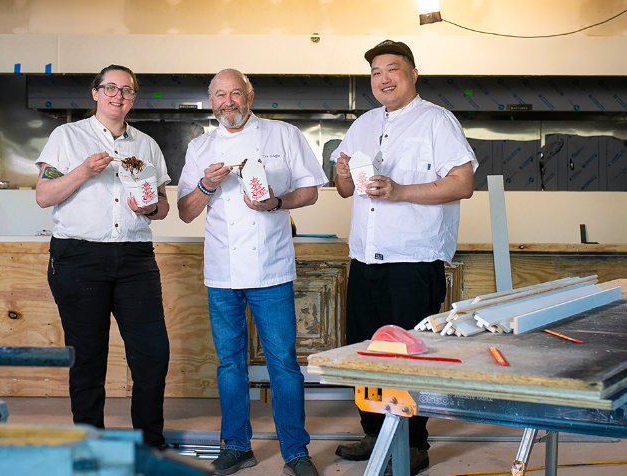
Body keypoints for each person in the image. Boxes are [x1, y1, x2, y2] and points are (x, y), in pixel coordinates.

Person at [331, 40, 478, 475]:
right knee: (366, 353)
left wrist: (399, 190)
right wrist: (340, 174)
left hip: (413, 263)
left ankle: (413, 444)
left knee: (411, 356)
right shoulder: (362, 124)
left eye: (392, 69)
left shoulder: (437, 121)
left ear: (413, 74)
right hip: (365, 261)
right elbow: (344, 190)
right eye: (376, 72)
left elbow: (462, 183)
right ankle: (374, 434)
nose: (383, 79)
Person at [178, 69, 327, 476]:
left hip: (272, 269)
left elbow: (310, 190)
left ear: (250, 95)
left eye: (236, 93)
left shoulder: (283, 135)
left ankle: (296, 451)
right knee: (229, 364)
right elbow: (186, 211)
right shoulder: (200, 147)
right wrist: (207, 186)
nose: (229, 101)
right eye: (220, 95)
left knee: (283, 363)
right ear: (212, 102)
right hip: (222, 272)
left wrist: (275, 203)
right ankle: (237, 445)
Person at [34, 64, 171, 449]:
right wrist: (82, 171)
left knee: (152, 356)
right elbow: (44, 196)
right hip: (78, 257)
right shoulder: (67, 136)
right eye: (110, 87)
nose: (118, 95)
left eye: (127, 90)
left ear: (133, 99)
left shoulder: (146, 144)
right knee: (88, 357)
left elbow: (163, 207)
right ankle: (90, 444)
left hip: (135, 258)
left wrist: (150, 208)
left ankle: (150, 445)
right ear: (95, 93)